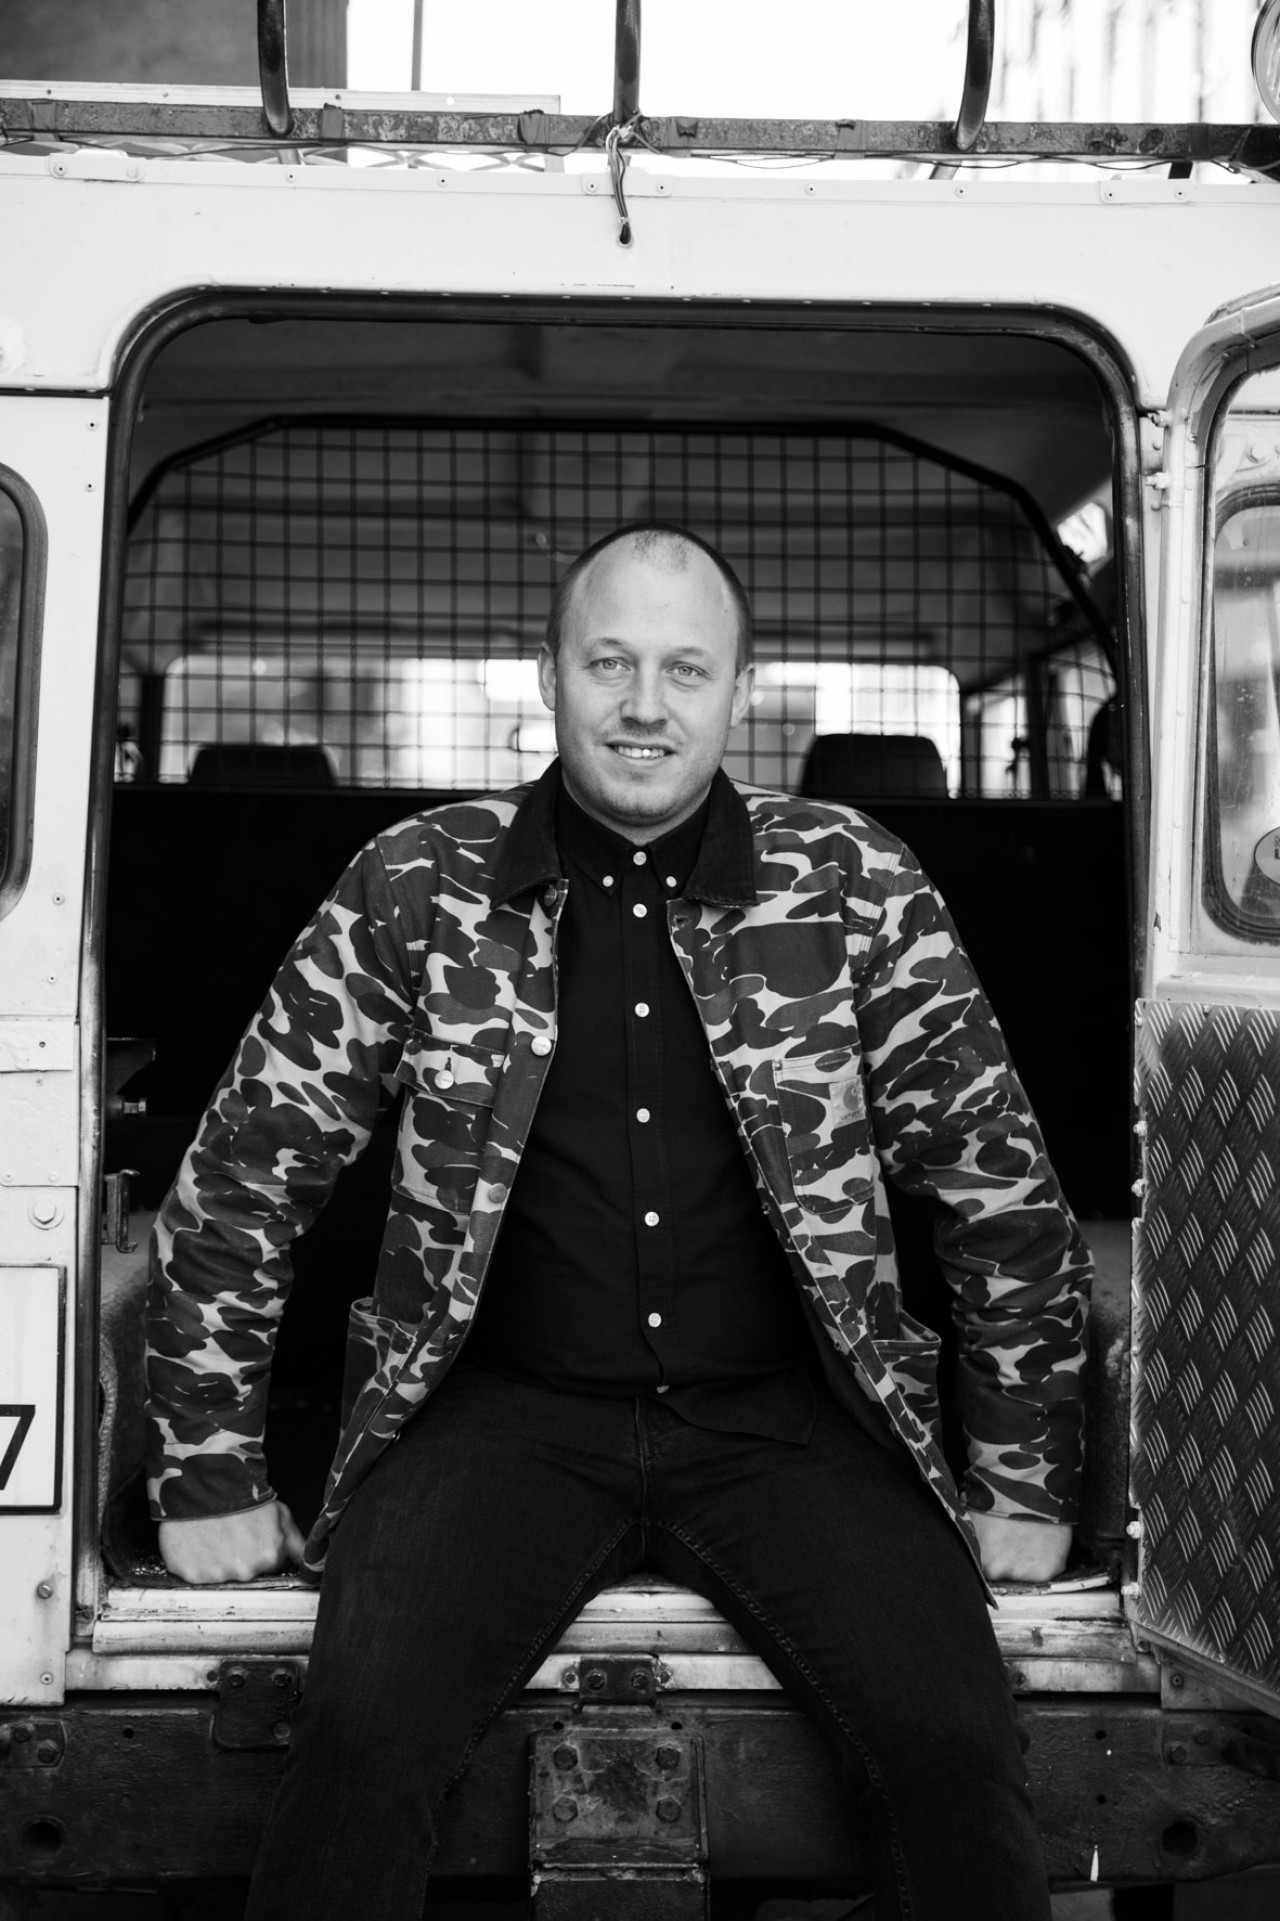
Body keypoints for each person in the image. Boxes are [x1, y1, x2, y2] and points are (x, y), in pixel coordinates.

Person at [146, 522, 1091, 1920]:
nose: (646, 704)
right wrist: (206, 1468)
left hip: (789, 1423)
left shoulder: (856, 881)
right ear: (551, 676)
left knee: (956, 1751)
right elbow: (243, 1179)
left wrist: (1023, 1473)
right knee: (355, 1746)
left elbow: (993, 1185)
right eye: (610, 663)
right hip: (495, 1415)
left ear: (739, 689)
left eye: (685, 669)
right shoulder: (416, 881)